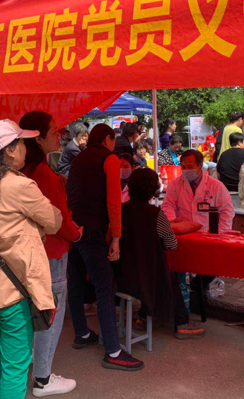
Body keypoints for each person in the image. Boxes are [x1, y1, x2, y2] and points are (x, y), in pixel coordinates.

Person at [0, 119, 62, 399]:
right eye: (22, 142)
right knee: (15, 364)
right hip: (15, 289)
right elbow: (54, 220)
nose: (25, 148)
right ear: (10, 150)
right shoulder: (19, 186)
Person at [66, 124, 145, 371]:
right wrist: (116, 238)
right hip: (92, 231)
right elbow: (114, 201)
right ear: (108, 139)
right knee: (105, 286)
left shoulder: (79, 159)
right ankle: (113, 350)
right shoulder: (108, 159)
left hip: (73, 229)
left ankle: (82, 333)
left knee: (76, 283)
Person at [17, 111, 82, 397]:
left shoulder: (24, 170)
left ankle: (33, 366)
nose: (60, 135)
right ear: (38, 138)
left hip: (29, 251)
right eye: (54, 131)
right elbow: (59, 220)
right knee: (50, 313)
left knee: (33, 311)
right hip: (52, 250)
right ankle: (43, 378)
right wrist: (77, 233)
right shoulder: (41, 174)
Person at [117, 168, 205, 339]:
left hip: (120, 273)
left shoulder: (120, 210)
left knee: (157, 275)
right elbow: (171, 244)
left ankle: (143, 317)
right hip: (144, 278)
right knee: (168, 277)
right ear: (152, 190)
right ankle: (182, 323)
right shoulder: (155, 214)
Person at [162, 150, 234, 233]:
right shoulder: (174, 184)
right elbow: (168, 205)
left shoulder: (216, 186)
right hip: (183, 233)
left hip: (207, 233)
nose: (186, 170)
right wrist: (172, 221)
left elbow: (227, 211)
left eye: (190, 167)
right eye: (183, 167)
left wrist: (222, 231)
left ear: (200, 166)